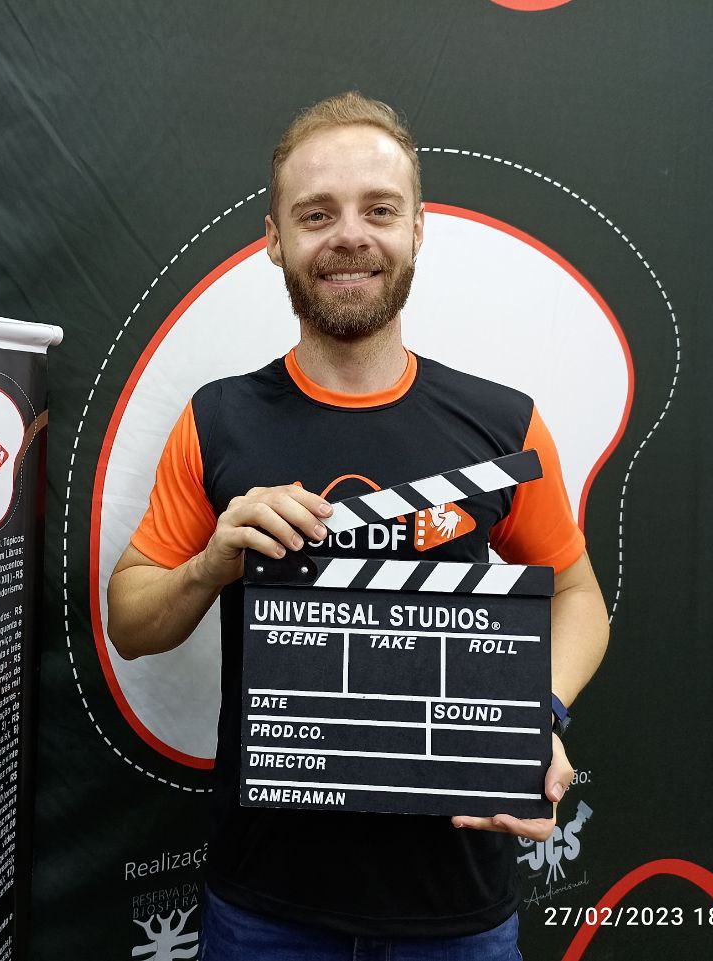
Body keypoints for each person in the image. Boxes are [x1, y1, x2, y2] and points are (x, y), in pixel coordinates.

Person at [106, 91, 609, 960]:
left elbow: (578, 595)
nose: (349, 236)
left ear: (418, 229)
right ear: (274, 238)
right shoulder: (217, 421)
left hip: (458, 902)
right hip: (267, 904)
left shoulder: (504, 426)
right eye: (316, 214)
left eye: (379, 209)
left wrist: (539, 712)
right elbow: (129, 621)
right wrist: (210, 564)